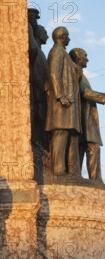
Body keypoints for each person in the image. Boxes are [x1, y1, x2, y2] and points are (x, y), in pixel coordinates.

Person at [45, 27, 81, 177]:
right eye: (68, 36)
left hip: (67, 102)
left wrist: (77, 72)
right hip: (61, 102)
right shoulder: (57, 52)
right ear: (62, 36)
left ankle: (64, 168)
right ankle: (58, 169)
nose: (70, 38)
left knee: (65, 134)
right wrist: (60, 95)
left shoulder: (63, 53)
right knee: (60, 134)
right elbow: (54, 73)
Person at [69, 48, 105, 182]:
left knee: (83, 148)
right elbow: (86, 93)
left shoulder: (79, 73)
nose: (87, 59)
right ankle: (96, 180)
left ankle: (84, 178)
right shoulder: (76, 72)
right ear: (78, 58)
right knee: (92, 147)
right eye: (85, 56)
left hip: (84, 118)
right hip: (85, 118)